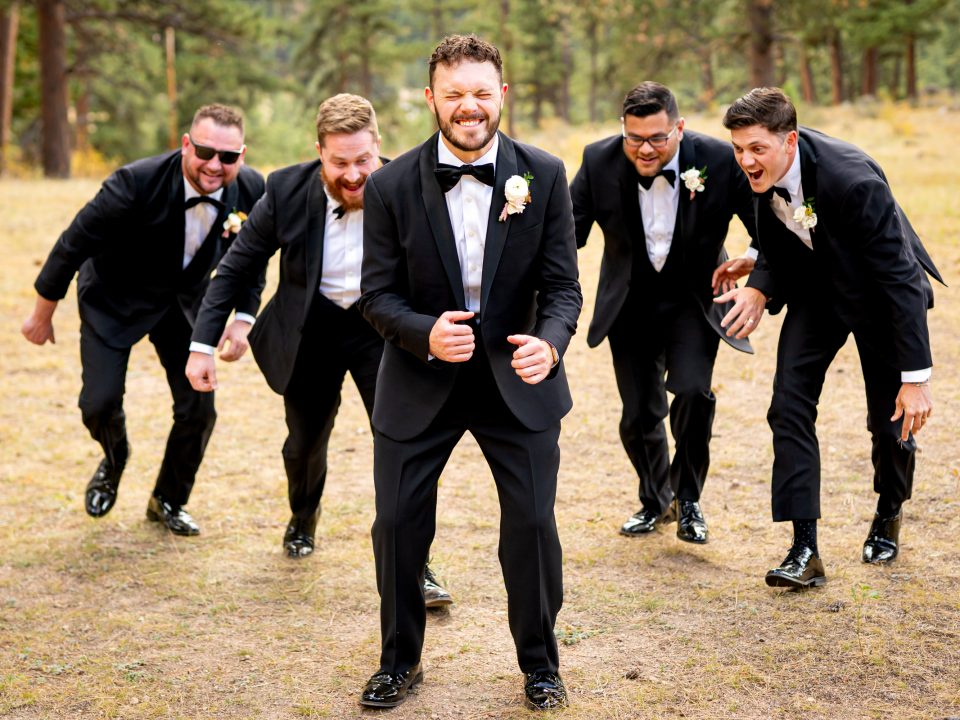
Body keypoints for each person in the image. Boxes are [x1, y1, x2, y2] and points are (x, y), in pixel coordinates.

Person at [356, 35, 582, 710]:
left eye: (481, 93)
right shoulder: (389, 185)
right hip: (420, 380)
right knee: (396, 524)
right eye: (453, 95)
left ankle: (541, 665)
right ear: (431, 99)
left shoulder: (543, 173)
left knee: (534, 526)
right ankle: (400, 661)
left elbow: (563, 287)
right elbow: (376, 295)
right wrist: (425, 333)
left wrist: (550, 342)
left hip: (518, 380)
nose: (469, 108)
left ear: (502, 95)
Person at [185, 94, 451, 606]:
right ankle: (303, 516)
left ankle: (418, 565)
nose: (353, 175)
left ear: (379, 146)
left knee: (403, 446)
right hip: (311, 330)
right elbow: (238, 267)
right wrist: (201, 344)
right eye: (339, 163)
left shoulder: (413, 186)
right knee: (303, 443)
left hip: (385, 330)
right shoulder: (285, 190)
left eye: (363, 161)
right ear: (319, 153)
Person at [714, 87, 942, 588]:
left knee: (891, 422)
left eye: (757, 149)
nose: (746, 160)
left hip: (880, 295)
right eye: (738, 148)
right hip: (817, 293)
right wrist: (758, 283)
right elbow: (775, 235)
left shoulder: (852, 180)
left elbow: (900, 277)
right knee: (788, 405)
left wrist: (917, 378)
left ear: (790, 140)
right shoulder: (755, 172)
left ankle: (889, 509)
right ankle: (804, 549)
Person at [21, 104, 264, 536]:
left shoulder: (250, 189)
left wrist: (243, 318)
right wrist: (43, 313)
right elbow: (72, 244)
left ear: (241, 156)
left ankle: (168, 499)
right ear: (186, 144)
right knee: (98, 404)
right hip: (113, 299)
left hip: (184, 305)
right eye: (205, 152)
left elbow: (251, 258)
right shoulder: (134, 182)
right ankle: (115, 459)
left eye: (227, 157)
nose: (214, 165)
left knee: (199, 408)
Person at [570, 81, 756, 545]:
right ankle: (655, 500)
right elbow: (566, 232)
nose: (645, 149)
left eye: (657, 137)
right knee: (638, 414)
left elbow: (762, 222)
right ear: (622, 130)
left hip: (694, 299)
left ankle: (688, 499)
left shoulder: (716, 158)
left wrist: (753, 261)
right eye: (635, 138)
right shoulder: (599, 160)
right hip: (629, 303)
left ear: (680, 127)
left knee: (693, 392)